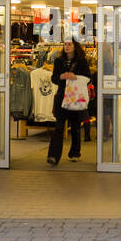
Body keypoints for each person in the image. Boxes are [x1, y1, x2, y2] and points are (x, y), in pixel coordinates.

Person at [47, 36, 91, 165]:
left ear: (75, 46)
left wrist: (75, 77)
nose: (66, 46)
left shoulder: (82, 61)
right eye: (65, 44)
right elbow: (54, 78)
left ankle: (75, 153)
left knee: (75, 127)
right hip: (62, 98)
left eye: (69, 44)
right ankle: (53, 156)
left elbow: (88, 77)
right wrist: (60, 76)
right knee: (59, 127)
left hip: (75, 98)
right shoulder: (58, 61)